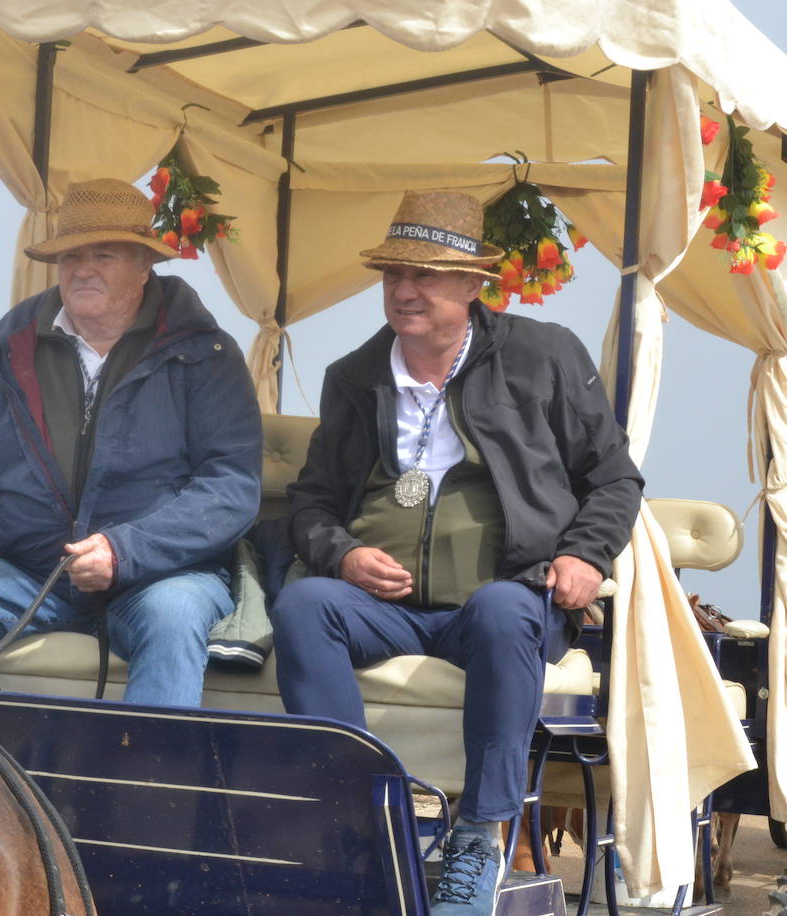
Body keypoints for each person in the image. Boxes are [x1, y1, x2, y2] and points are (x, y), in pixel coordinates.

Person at [269, 190, 643, 915]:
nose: (406, 292)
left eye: (428, 276)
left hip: (503, 599)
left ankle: (481, 836)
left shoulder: (544, 356)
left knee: (506, 607)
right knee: (304, 603)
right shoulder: (355, 376)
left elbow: (614, 478)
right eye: (394, 276)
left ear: (474, 285)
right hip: (386, 610)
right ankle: (360, 820)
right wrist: (343, 555)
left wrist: (586, 556)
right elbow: (310, 503)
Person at [0, 178, 261, 706]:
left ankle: (150, 784)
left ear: (145, 265)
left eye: (103, 254)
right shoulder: (10, 349)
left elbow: (231, 488)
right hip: (28, 575)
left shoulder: (206, 355)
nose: (83, 268)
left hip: (159, 578)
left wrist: (124, 552)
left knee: (174, 615)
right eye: (71, 255)